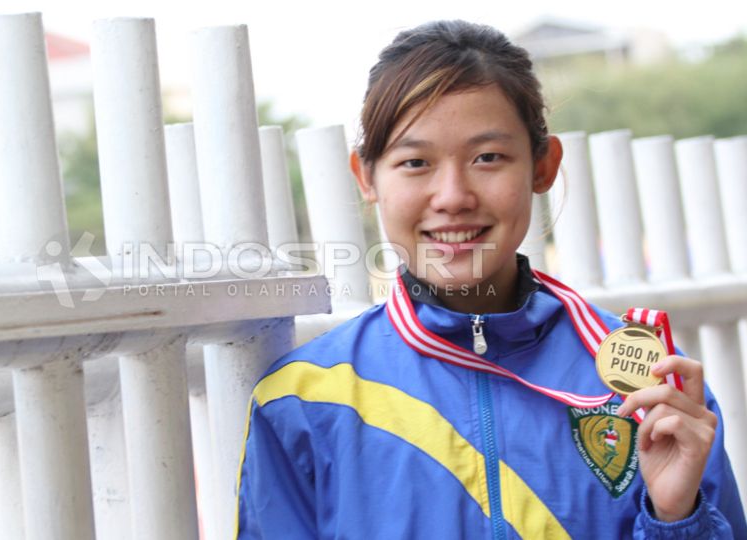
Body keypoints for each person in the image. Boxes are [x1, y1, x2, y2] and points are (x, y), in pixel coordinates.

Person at [235, 20, 747, 538]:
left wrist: (676, 518)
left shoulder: (650, 385)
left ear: (543, 166)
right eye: (415, 162)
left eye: (488, 158)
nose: (453, 195)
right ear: (367, 177)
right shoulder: (302, 401)